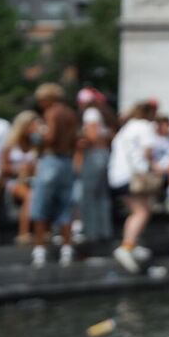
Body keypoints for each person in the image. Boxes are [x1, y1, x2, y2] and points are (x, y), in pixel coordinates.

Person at [30, 84, 80, 267]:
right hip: (67, 162)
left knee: (41, 205)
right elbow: (76, 140)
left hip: (51, 160)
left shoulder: (52, 113)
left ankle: (39, 250)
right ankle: (67, 249)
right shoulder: (71, 114)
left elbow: (49, 137)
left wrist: (36, 136)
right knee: (65, 207)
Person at [108, 102, 160, 274]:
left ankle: (132, 243)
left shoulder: (127, 128)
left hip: (117, 176)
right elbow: (147, 153)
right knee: (141, 212)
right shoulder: (145, 126)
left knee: (136, 211)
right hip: (133, 176)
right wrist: (157, 167)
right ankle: (127, 246)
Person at [76, 91, 114, 244]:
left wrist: (81, 140)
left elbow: (92, 136)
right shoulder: (101, 114)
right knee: (102, 196)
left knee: (90, 196)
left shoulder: (90, 113)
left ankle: (92, 232)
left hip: (94, 155)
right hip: (103, 155)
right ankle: (104, 230)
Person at [1, 110, 39, 244]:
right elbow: (3, 168)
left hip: (34, 180)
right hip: (14, 181)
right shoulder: (10, 145)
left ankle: (44, 231)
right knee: (31, 196)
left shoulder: (37, 144)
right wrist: (19, 169)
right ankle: (24, 232)